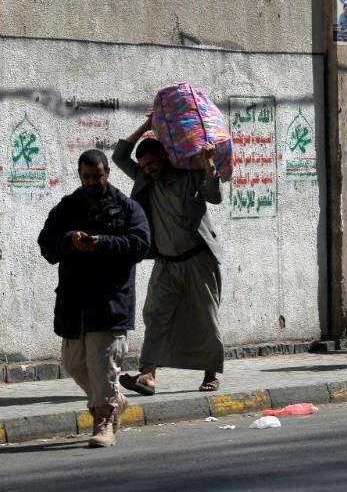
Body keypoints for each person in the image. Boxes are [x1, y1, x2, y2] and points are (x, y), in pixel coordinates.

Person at [38, 149, 151, 447]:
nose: (91, 181)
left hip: (110, 301)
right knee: (74, 363)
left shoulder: (127, 208)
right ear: (79, 175)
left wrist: (103, 244)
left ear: (107, 174)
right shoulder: (67, 207)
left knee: (103, 365)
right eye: (86, 176)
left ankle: (103, 423)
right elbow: (47, 245)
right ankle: (115, 400)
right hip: (75, 303)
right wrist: (69, 240)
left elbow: (140, 245)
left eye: (97, 176)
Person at [113, 117, 225, 395]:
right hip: (165, 261)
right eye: (145, 167)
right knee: (156, 314)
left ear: (165, 156)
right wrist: (147, 124)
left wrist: (209, 164)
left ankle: (210, 373)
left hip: (198, 258)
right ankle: (147, 375)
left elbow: (214, 196)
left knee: (205, 317)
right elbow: (118, 155)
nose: (149, 170)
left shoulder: (190, 175)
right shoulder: (144, 179)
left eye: (152, 164)